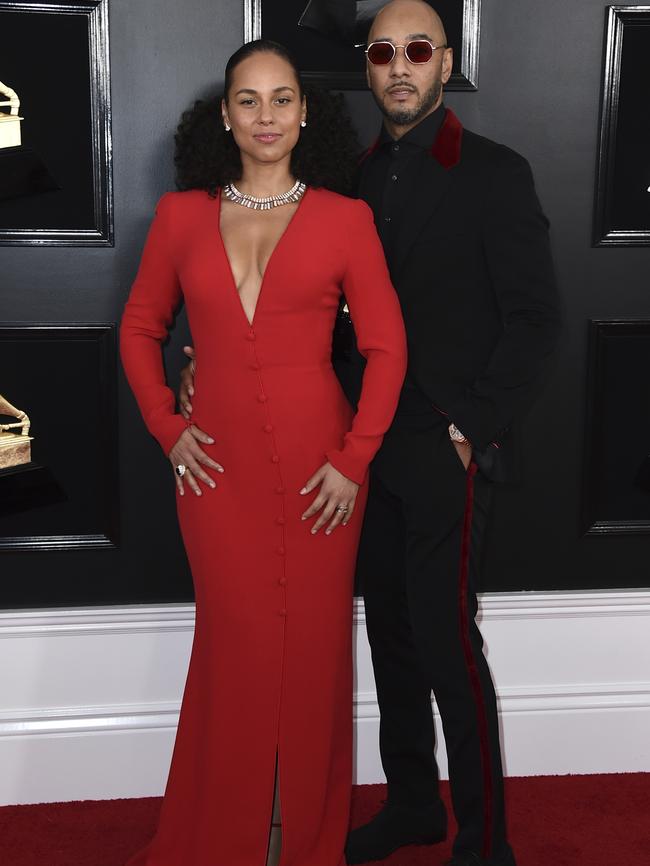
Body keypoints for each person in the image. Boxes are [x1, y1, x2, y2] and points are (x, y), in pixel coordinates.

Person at [180, 3, 561, 865]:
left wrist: (470, 426)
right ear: (368, 65)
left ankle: (485, 841)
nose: (398, 66)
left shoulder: (494, 173)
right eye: (383, 51)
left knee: (446, 640)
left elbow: (537, 320)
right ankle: (415, 806)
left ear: (444, 62)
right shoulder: (345, 179)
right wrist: (208, 356)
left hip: (444, 445)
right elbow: (301, 304)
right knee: (387, 632)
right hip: (355, 445)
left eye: (416, 50)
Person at [120, 39, 407, 866]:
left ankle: (307, 843)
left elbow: (387, 350)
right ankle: (222, 839)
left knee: (315, 657)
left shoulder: (346, 220)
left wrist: (354, 461)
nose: (267, 116)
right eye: (249, 100)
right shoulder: (180, 216)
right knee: (234, 647)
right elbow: (140, 330)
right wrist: (167, 428)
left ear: (306, 112)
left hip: (324, 471)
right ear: (225, 115)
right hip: (215, 474)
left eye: (282, 99)